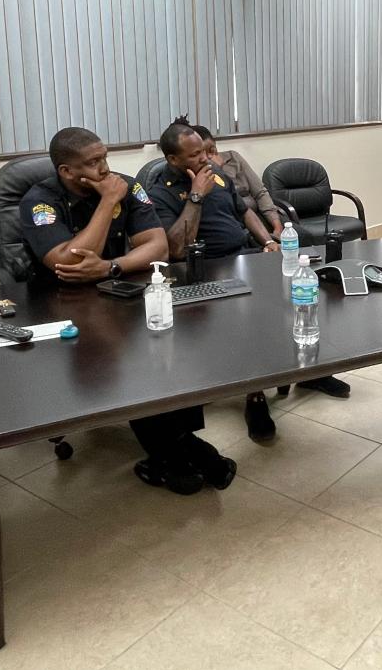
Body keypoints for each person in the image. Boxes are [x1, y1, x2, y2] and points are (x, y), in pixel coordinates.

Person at [18, 127, 235, 495]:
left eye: (104, 157)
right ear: (67, 171)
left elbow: (159, 247)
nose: (104, 168)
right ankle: (174, 454)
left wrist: (110, 267)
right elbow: (66, 266)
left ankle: (179, 443)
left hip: (118, 289)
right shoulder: (39, 201)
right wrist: (106, 203)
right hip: (62, 306)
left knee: (167, 347)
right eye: (92, 163)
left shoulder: (127, 185)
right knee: (122, 361)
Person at [147, 118, 350, 440]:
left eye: (204, 151)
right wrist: (196, 196)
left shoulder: (220, 175)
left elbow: (244, 211)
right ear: (172, 160)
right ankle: (255, 397)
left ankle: (313, 371)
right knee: (252, 324)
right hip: (205, 268)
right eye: (193, 155)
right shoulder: (160, 192)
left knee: (305, 294)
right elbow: (175, 248)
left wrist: (269, 242)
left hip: (246, 256)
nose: (204, 159)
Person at [188, 122, 286, 239]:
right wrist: (217, 169)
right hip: (240, 225)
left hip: (263, 217)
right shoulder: (197, 173)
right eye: (203, 152)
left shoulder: (233, 157)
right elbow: (223, 203)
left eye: (212, 149)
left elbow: (260, 192)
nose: (209, 156)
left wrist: (277, 227)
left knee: (301, 236)